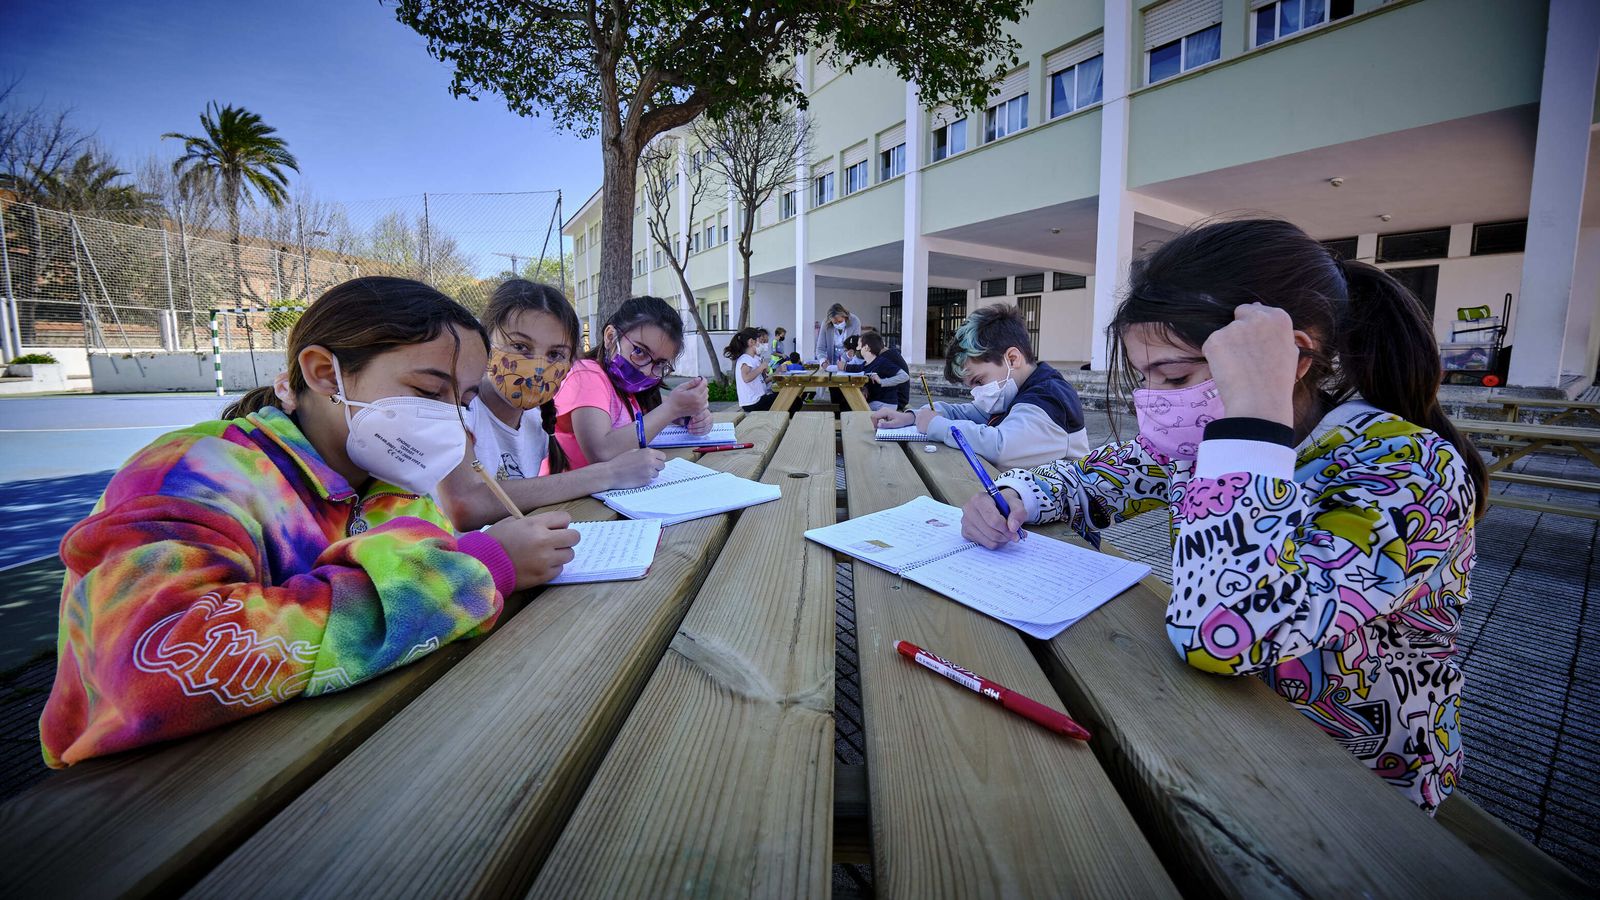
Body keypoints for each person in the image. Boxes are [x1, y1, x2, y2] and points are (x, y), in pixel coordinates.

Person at [960, 218, 1488, 815]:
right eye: (1145, 378)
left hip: (1357, 782)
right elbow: (1100, 476)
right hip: (1226, 736)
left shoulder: (1409, 469)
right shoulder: (1202, 445)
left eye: (1177, 375)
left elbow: (1223, 633)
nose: (1155, 401)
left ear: (1293, 356)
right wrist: (1019, 495)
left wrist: (1251, 428)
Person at [39, 277, 581, 767]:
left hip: (331, 762)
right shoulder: (188, 473)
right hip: (154, 795)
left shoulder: (399, 493)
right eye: (426, 392)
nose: (450, 421)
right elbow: (149, 665)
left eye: (460, 401)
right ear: (325, 373)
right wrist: (478, 571)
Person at [437, 280, 667, 530]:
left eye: (555, 354)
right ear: (485, 341)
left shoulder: (536, 421)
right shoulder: (455, 408)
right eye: (520, 346)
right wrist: (609, 474)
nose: (538, 366)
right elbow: (466, 505)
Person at [872, 303, 1088, 467]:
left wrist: (936, 426)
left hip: (1057, 520)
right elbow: (965, 412)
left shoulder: (1048, 398)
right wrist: (913, 416)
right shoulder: (1014, 391)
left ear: (1012, 359)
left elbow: (1000, 446)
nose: (977, 393)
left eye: (979, 381)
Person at [553, 295, 712, 469]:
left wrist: (690, 416)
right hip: (579, 495)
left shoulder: (628, 389)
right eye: (639, 351)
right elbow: (600, 453)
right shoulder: (587, 375)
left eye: (659, 363)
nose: (645, 370)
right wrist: (672, 409)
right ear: (611, 336)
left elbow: (659, 408)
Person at [725, 326, 776, 412]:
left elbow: (759, 380)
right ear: (751, 342)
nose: (763, 344)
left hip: (757, 400)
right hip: (752, 403)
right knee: (790, 400)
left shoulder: (752, 359)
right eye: (760, 341)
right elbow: (746, 378)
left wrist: (764, 370)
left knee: (788, 399)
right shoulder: (745, 359)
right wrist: (761, 367)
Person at [859, 331, 911, 411]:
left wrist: (881, 382)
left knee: (856, 405)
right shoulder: (888, 354)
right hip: (888, 398)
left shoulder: (885, 358)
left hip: (895, 400)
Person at [815, 303, 861, 368]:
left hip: (849, 363)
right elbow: (820, 348)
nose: (838, 324)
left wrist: (843, 359)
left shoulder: (855, 321)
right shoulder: (825, 323)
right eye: (835, 323)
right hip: (831, 363)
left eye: (840, 321)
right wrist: (823, 362)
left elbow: (855, 345)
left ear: (845, 316)